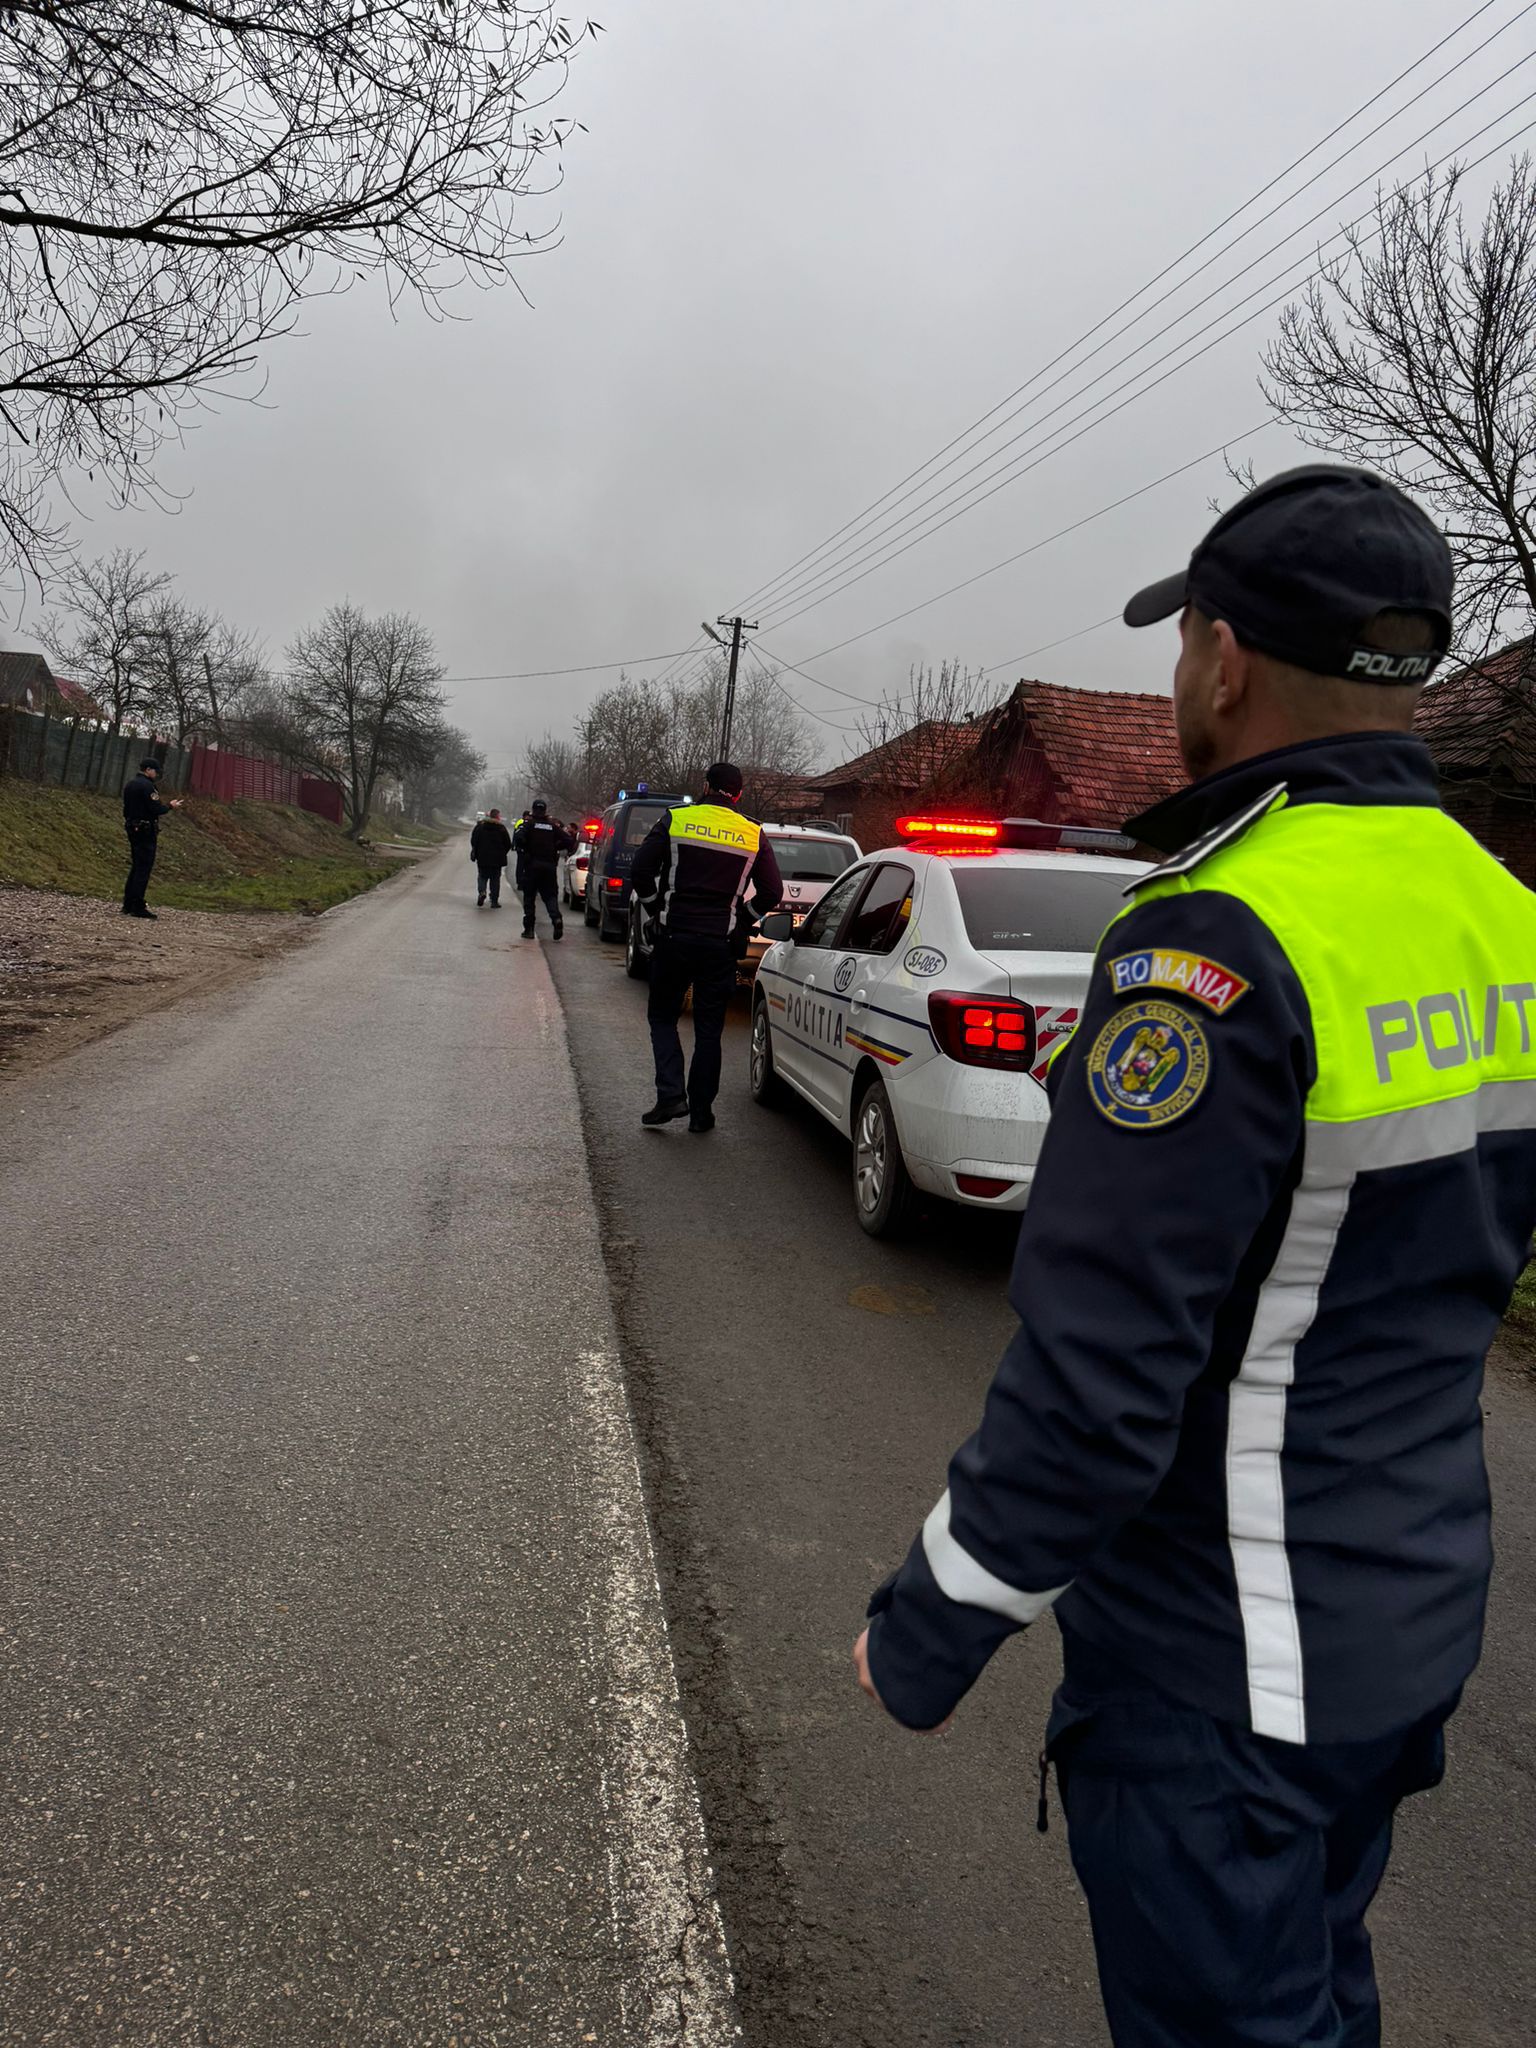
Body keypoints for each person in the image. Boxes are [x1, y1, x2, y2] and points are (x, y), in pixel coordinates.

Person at [853, 465, 1536, 2047]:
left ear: (1223, 661)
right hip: (1406, 1623)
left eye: (1183, 648)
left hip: (1229, 1676)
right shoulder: (1502, 913)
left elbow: (1101, 1383)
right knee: (1313, 1991)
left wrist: (935, 1618)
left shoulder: (1209, 941)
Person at [630, 761, 782, 1134]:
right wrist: (742, 920)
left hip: (674, 936)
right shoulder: (752, 833)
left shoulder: (676, 819)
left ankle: (670, 1096)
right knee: (709, 1030)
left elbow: (640, 871)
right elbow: (772, 892)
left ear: (705, 786)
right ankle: (701, 1114)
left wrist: (655, 909)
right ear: (739, 793)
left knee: (663, 1017)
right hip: (719, 944)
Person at [121, 757, 183, 919]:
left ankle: (127, 903)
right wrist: (170, 806)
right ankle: (137, 905)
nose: (155, 774)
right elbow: (156, 809)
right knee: (143, 868)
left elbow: (126, 809)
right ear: (148, 770)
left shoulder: (130, 784)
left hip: (132, 827)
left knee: (136, 866)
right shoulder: (148, 787)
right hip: (145, 830)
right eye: (155, 771)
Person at [513, 800, 571, 940]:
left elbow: (518, 838)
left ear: (533, 810)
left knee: (529, 898)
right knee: (550, 896)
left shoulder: (529, 825)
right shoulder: (553, 827)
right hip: (549, 867)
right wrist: (555, 847)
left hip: (532, 866)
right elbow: (568, 840)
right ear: (545, 811)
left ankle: (529, 929)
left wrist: (527, 847)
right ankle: (556, 919)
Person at [469, 808, 513, 908]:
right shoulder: (501, 828)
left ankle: (482, 892)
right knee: (495, 880)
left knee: (482, 876)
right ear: (497, 817)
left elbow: (474, 840)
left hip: (482, 857)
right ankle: (494, 901)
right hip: (497, 859)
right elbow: (508, 844)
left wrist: (477, 851)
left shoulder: (480, 827)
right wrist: (502, 853)